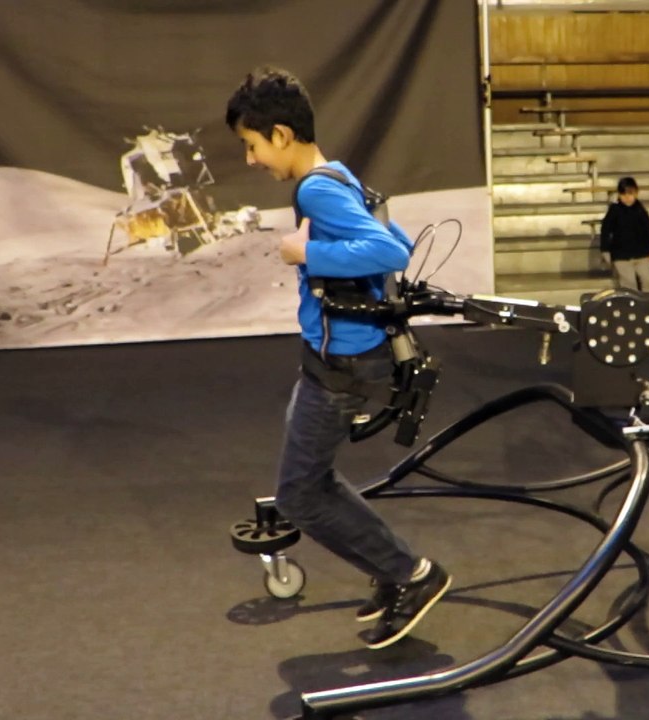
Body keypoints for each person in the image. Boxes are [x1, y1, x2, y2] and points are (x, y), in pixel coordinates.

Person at [225, 66, 451, 647]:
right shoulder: (337, 174)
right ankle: (395, 572)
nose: (251, 160)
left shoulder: (316, 187)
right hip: (338, 361)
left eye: (251, 145)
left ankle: (411, 575)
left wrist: (304, 250)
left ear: (280, 134)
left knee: (300, 494)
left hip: (343, 368)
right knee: (314, 481)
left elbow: (389, 247)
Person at [599, 177, 649, 294]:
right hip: (621, 255)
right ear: (619, 194)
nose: (627, 197)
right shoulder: (614, 210)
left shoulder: (640, 210)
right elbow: (605, 230)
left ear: (636, 193)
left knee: (648, 280)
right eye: (623, 194)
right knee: (629, 284)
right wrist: (605, 249)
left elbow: (648, 230)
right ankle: (632, 308)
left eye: (630, 194)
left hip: (641, 254)